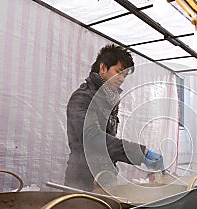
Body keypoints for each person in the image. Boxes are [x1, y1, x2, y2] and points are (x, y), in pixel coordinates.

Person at [64, 44, 164, 191]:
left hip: (104, 178)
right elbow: (92, 138)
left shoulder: (109, 99)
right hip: (83, 179)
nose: (122, 79)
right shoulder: (83, 97)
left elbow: (108, 142)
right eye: (119, 72)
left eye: (125, 75)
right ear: (103, 68)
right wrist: (140, 153)